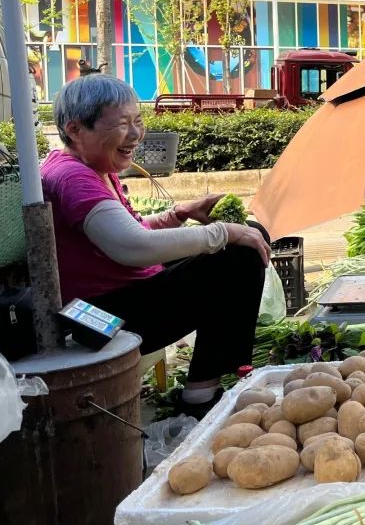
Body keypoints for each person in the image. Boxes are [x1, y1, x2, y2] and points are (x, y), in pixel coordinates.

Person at [42, 75, 270, 412]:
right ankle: (201, 397)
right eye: (123, 124)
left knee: (248, 235)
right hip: (103, 319)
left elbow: (127, 230)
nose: (136, 134)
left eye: (138, 120)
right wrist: (222, 233)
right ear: (75, 130)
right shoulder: (73, 177)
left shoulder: (93, 167)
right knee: (239, 253)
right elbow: (132, 247)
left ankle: (207, 384)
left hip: (126, 298)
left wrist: (179, 214)